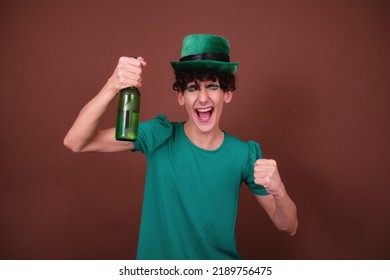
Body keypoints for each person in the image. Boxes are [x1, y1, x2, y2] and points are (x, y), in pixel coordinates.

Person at [64, 34, 298, 260]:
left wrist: (279, 191)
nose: (203, 98)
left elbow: (289, 226)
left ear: (227, 94)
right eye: (193, 88)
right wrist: (113, 85)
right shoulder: (158, 135)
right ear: (180, 96)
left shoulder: (243, 155)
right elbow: (76, 141)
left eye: (213, 87)